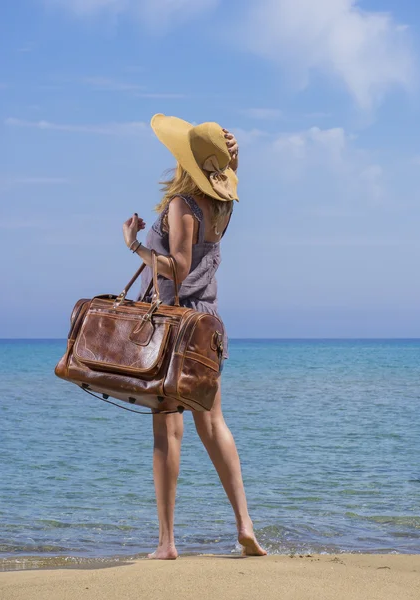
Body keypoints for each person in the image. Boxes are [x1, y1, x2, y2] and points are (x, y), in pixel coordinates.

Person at [122, 114, 266, 560]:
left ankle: (167, 543)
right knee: (214, 423)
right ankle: (245, 525)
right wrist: (230, 156)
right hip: (208, 326)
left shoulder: (182, 204)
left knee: (168, 432)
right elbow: (225, 176)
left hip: (174, 326)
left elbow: (178, 268)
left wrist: (137, 247)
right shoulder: (221, 206)